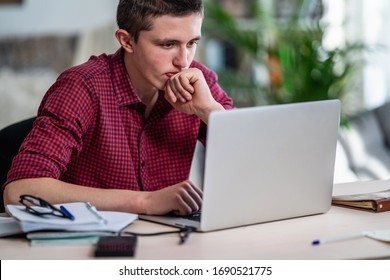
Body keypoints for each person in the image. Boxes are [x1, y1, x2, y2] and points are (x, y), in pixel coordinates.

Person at [3, 0, 233, 216]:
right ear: (127, 40)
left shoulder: (200, 83)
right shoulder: (83, 88)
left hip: (171, 241)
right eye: (168, 44)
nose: (183, 61)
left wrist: (207, 110)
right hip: (90, 245)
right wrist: (145, 201)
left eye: (192, 43)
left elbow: (254, 166)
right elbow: (19, 191)